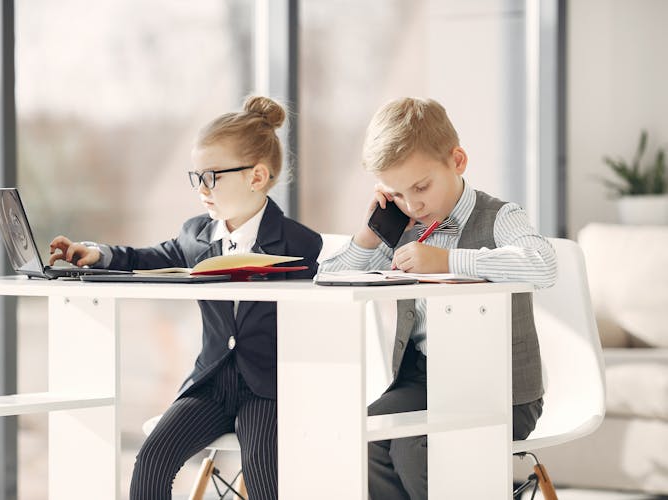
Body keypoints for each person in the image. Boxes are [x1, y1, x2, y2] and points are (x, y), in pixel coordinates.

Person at [48, 96, 322, 500]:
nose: (202, 189)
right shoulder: (196, 235)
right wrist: (97, 254)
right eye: (197, 177)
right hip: (210, 383)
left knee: (265, 474)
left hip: (269, 388)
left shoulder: (300, 243)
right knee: (151, 461)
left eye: (212, 176)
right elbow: (149, 257)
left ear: (257, 176)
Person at [319, 97, 557, 500]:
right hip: (422, 380)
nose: (413, 204)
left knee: (418, 444)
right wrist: (370, 234)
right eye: (396, 193)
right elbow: (328, 278)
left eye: (421, 187)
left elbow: (542, 264)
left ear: (458, 160)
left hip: (500, 389)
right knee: (366, 436)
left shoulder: (500, 216)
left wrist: (448, 260)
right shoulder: (405, 225)